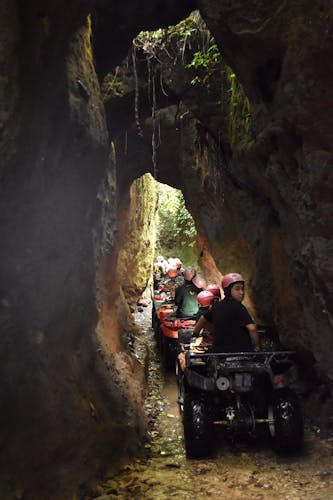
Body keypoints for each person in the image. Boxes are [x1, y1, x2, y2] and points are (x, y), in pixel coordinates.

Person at [193, 272, 260, 352]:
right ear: (228, 290)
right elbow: (252, 328)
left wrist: (195, 334)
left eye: (242, 289)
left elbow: (202, 319)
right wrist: (257, 346)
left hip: (219, 352)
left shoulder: (216, 306)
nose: (241, 292)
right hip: (241, 351)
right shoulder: (239, 307)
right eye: (237, 289)